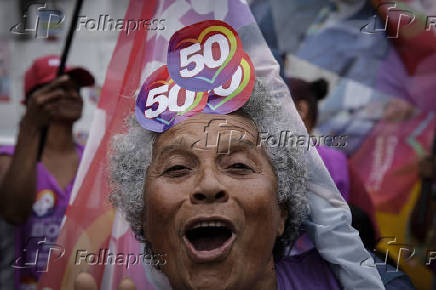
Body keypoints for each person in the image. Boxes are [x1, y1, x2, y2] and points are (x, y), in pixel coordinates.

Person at [102, 80, 379, 289]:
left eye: (238, 166)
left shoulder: (369, 280)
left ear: (282, 210)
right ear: (143, 217)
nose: (208, 185)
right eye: (177, 169)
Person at [0, 54, 94, 289]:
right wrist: (30, 125)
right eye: (61, 88)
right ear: (34, 99)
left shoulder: (93, 161)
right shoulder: (8, 158)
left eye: (76, 89)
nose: (73, 95)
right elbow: (13, 213)